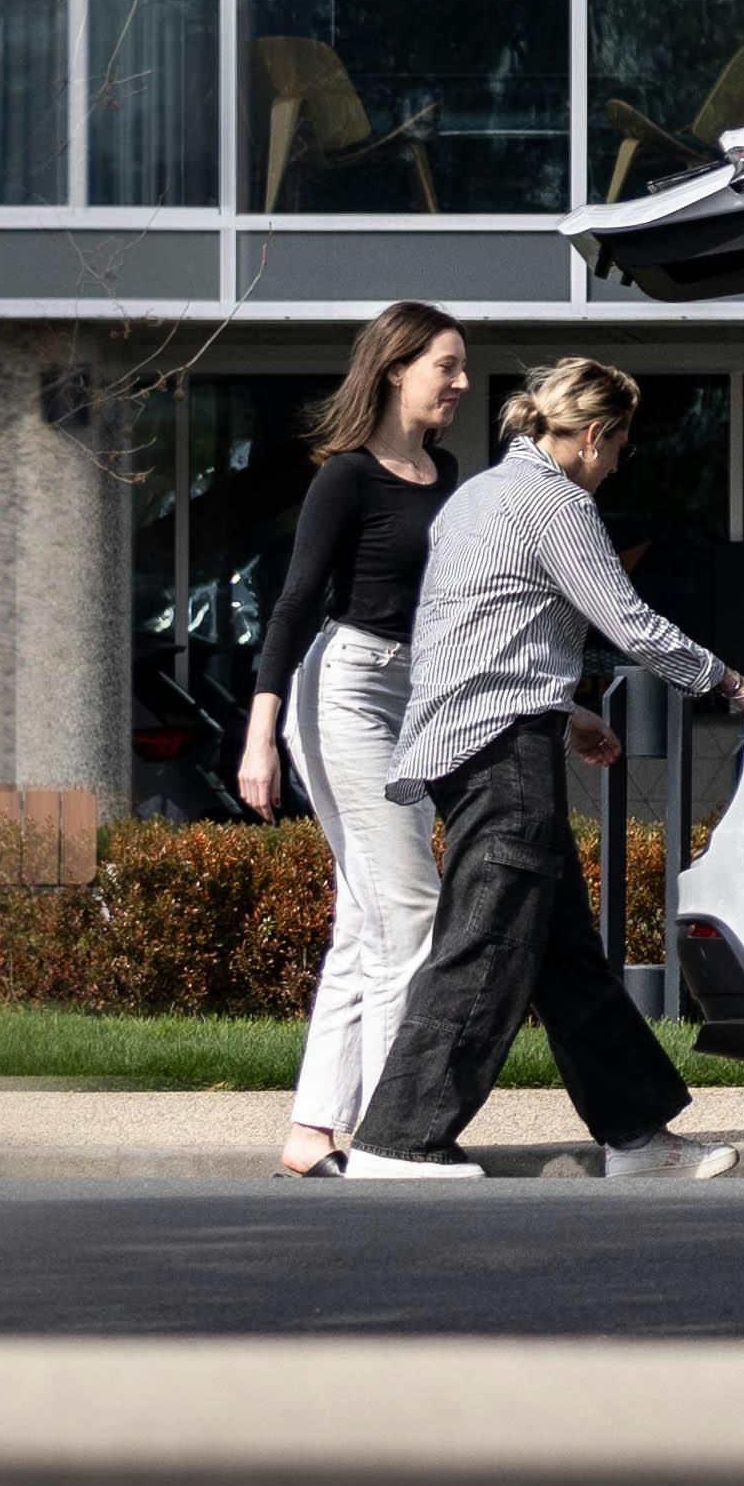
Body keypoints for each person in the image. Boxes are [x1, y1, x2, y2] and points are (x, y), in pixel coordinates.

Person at [340, 352, 744, 1183]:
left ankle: (639, 1142)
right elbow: (629, 622)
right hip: (501, 756)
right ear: (595, 436)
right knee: (485, 946)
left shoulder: (478, 496)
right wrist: (730, 683)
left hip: (476, 741)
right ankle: (399, 1142)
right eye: (621, 448)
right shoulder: (555, 502)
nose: (616, 465)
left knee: (563, 959)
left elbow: (476, 633)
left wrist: (563, 712)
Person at [237, 304, 473, 1183]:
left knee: (368, 919)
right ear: (394, 369)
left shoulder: (444, 473)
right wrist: (259, 739)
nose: (458, 382)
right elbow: (295, 605)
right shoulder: (345, 476)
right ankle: (393, 1133)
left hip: (412, 692)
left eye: (459, 367)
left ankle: (316, 1131)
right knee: (410, 909)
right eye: (444, 366)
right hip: (344, 689)